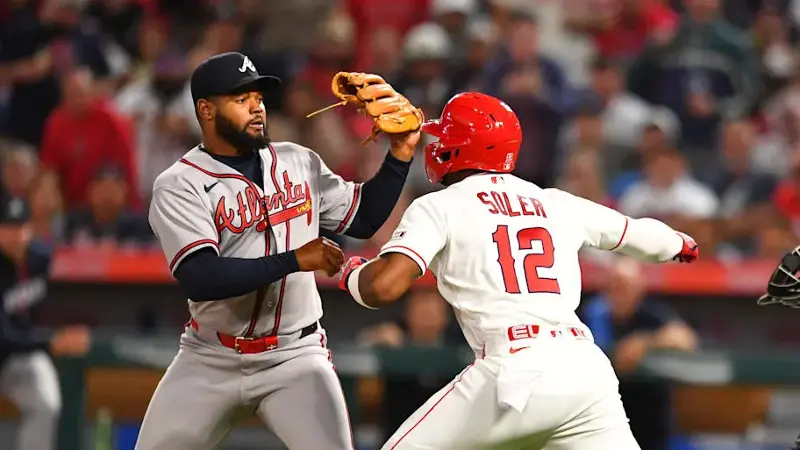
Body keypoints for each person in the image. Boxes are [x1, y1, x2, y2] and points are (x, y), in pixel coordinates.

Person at [337, 92, 699, 450]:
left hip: (515, 369)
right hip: (585, 370)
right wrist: (681, 243)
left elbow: (383, 287)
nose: (437, 145)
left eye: (444, 136)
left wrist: (347, 270)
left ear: (462, 146)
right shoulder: (554, 201)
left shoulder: (439, 205)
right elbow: (640, 235)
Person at [139, 52, 419, 450]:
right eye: (241, 99)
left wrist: (400, 155)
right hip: (210, 357)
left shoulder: (297, 161)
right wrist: (295, 260)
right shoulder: (180, 184)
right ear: (205, 110)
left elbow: (362, 219)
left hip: (295, 355)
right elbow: (201, 277)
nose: (257, 107)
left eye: (259, 97)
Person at [0, 195, 90, 450]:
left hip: (19, 355)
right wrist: (51, 342)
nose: (15, 235)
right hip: (14, 344)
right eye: (7, 227)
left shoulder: (39, 260)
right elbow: (3, 335)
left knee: (45, 405)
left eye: (20, 227)